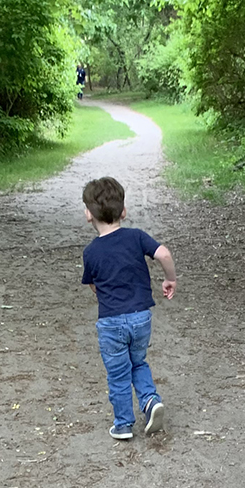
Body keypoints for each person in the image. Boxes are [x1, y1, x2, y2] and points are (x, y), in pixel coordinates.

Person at [81, 177, 177, 440]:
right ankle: (149, 401)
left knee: (118, 373)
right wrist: (170, 278)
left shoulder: (91, 252)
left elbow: (93, 286)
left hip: (111, 322)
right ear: (123, 211)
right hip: (140, 318)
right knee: (138, 362)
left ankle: (123, 424)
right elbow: (164, 254)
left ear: (89, 214)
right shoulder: (136, 237)